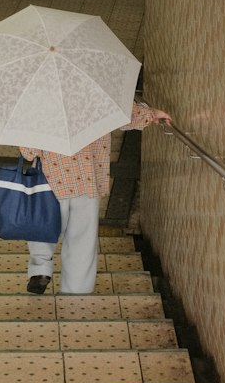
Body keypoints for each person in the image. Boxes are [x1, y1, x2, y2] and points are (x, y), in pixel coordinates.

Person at [20, 100, 172, 294]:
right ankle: (77, 292)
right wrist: (152, 113)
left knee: (41, 227)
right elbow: (124, 114)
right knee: (82, 238)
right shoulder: (98, 96)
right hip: (88, 178)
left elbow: (29, 153)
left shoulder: (37, 103)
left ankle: (40, 270)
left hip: (50, 180)